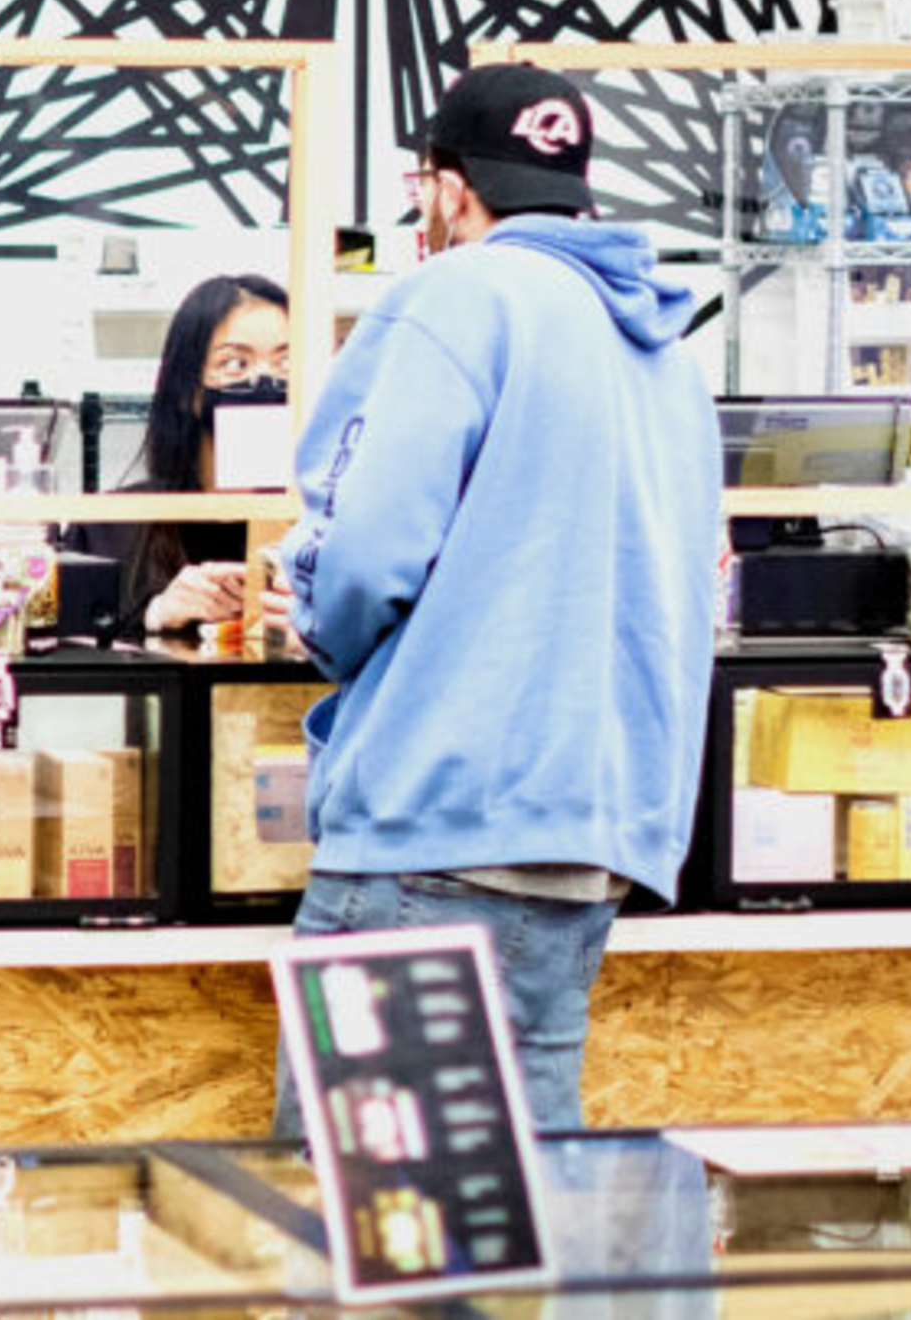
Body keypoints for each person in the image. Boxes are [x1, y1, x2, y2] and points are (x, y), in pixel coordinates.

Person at [269, 65, 720, 1130]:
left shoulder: (456, 295)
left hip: (438, 824)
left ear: (448, 189)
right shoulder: (662, 350)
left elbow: (365, 551)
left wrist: (313, 617)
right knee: (518, 1201)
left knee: (368, 1207)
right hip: (595, 840)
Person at [64, 274, 288, 638]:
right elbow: (67, 646)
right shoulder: (110, 527)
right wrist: (154, 616)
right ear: (187, 390)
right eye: (236, 364)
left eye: (285, 363)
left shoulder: (326, 525)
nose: (265, 382)